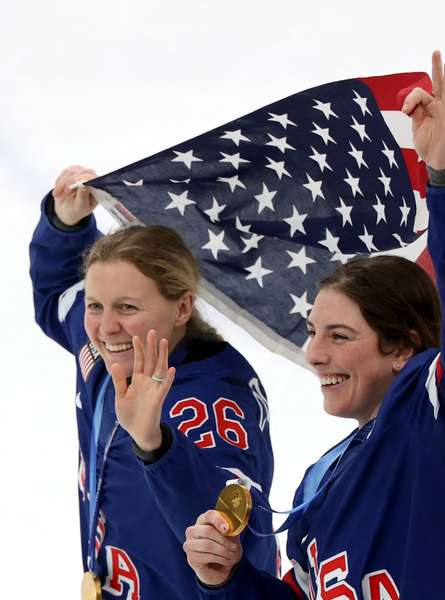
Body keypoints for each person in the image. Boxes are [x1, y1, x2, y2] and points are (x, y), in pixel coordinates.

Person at [182, 51, 445, 599]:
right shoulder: (321, 481)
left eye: (340, 336)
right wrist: (228, 578)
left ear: (402, 347)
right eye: (312, 332)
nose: (314, 355)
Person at [29, 177, 279, 599]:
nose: (107, 327)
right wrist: (65, 226)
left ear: (182, 306)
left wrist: (154, 444)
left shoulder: (215, 397)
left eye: (128, 307)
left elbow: (226, 526)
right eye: (96, 305)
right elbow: (57, 294)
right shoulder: (103, 349)